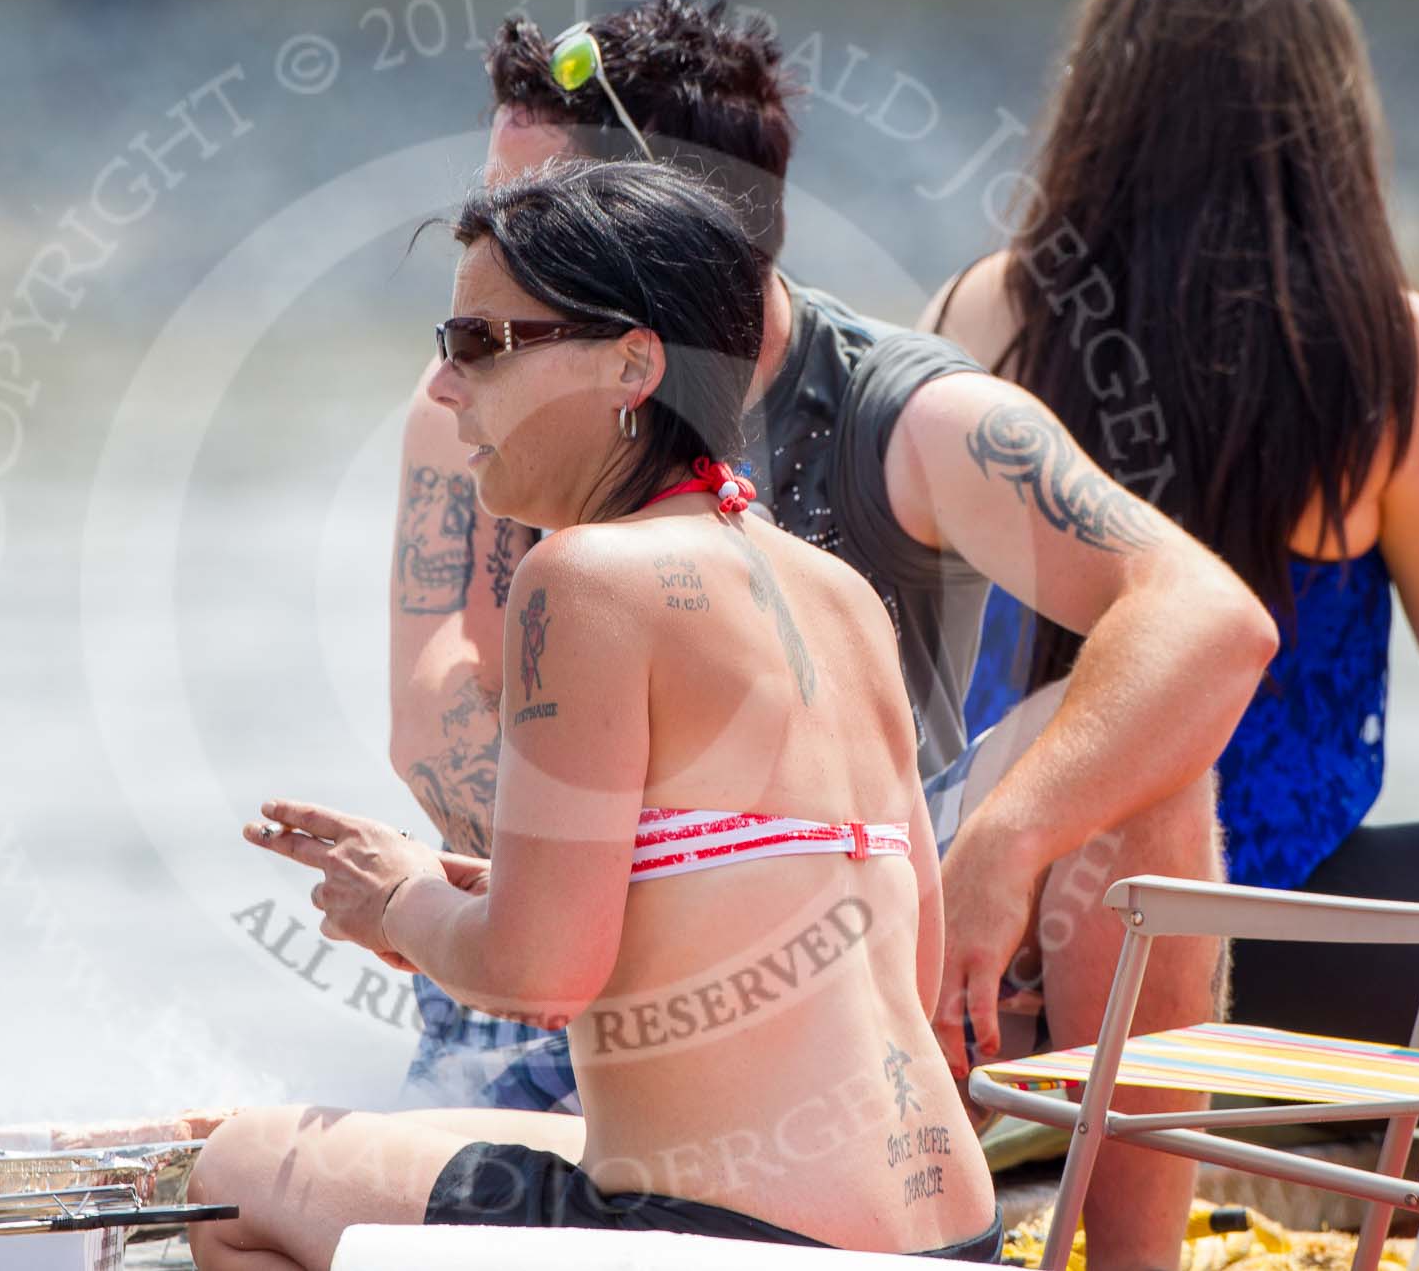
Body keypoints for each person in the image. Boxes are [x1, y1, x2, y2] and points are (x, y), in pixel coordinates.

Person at [389, 0, 1276, 1268]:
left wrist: (1008, 843)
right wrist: (598, 867)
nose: (484, 253)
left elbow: (1205, 617)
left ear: (663, 233)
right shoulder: (472, 398)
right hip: (567, 936)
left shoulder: (910, 412)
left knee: (1156, 770)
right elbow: (431, 698)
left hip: (872, 952)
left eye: (531, 208)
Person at [189, 160, 1001, 1268]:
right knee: (410, 1135)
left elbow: (537, 978)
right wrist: (505, 892)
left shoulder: (582, 580)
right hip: (949, 1234)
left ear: (630, 362)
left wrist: (400, 905)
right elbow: (901, 965)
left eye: (478, 343)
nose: (440, 386)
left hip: (737, 1244)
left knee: (228, 1180)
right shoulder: (838, 596)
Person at [924, 0, 1419, 1044]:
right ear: (1326, 123)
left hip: (1000, 915)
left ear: (1097, 109)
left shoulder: (987, 310)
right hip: (1254, 942)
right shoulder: (1386, 353)